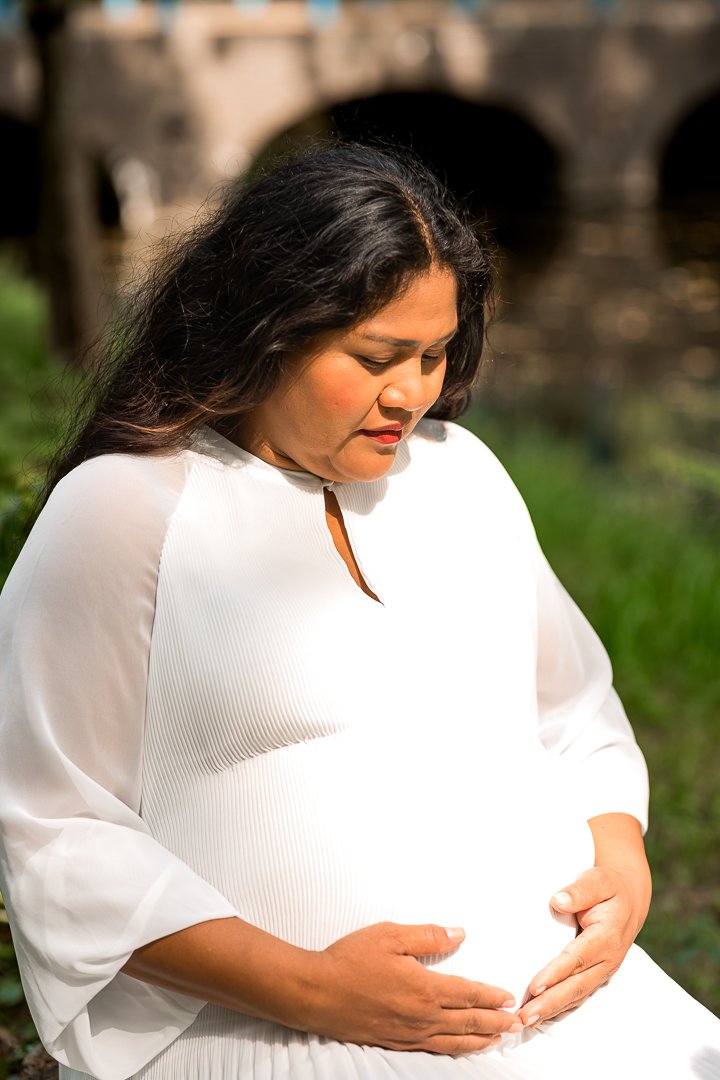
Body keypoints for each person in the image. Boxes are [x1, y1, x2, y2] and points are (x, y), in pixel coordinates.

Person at [0, 145, 718, 1080]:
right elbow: (53, 826)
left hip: (580, 1017)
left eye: (435, 354)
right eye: (377, 357)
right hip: (287, 1039)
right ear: (264, 329)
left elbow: (574, 712)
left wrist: (622, 868)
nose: (412, 393)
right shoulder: (127, 511)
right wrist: (309, 988)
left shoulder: (462, 477)